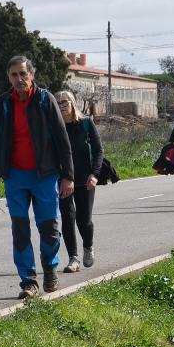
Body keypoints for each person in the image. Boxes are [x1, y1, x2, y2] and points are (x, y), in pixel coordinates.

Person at [0, 55, 74, 299]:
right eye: (14, 75)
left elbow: (61, 138)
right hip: (15, 177)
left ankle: (49, 267)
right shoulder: (4, 103)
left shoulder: (45, 99)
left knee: (49, 229)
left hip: (45, 175)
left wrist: (68, 176)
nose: (19, 79)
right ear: (9, 77)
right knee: (20, 230)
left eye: (23, 74)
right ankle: (28, 281)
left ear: (32, 75)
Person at [56, 90, 102, 273]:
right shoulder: (55, 127)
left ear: (73, 103)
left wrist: (95, 174)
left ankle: (88, 246)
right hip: (63, 179)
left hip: (85, 179)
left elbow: (98, 150)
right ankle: (73, 258)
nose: (61, 106)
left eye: (65, 102)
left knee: (84, 220)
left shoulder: (85, 123)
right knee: (67, 218)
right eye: (58, 103)